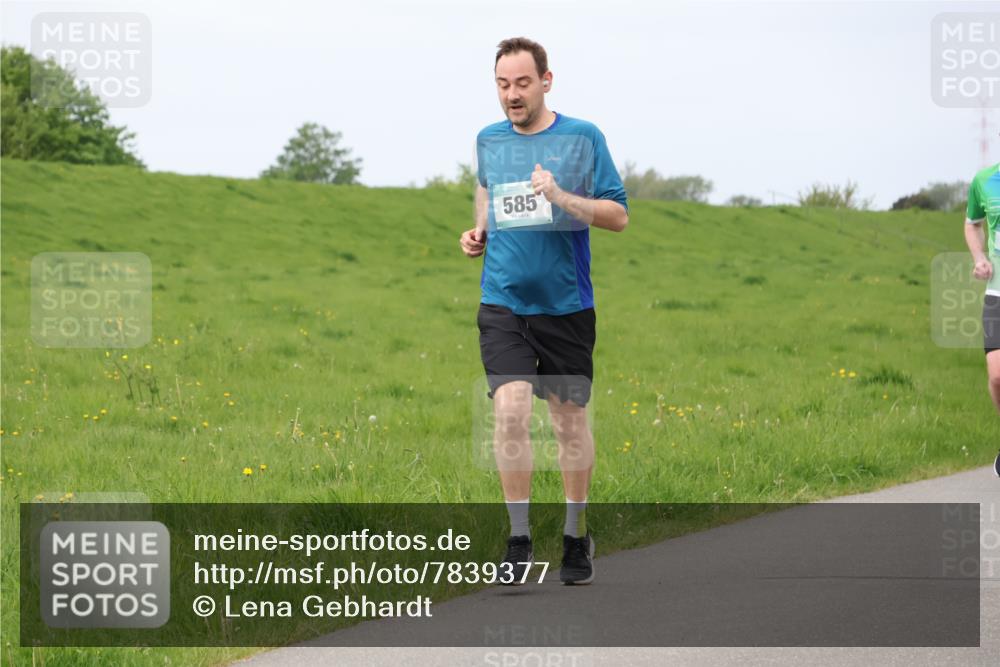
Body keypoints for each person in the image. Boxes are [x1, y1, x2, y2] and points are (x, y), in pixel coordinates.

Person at [459, 37, 629, 585]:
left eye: (523, 83)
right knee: (509, 412)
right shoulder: (488, 140)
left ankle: (577, 536)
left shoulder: (582, 138)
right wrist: (480, 230)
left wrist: (561, 196)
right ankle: (518, 541)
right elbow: (487, 191)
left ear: (547, 81)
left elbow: (617, 215)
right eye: (503, 84)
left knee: (568, 423)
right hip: (503, 301)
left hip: (566, 307)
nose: (512, 94)